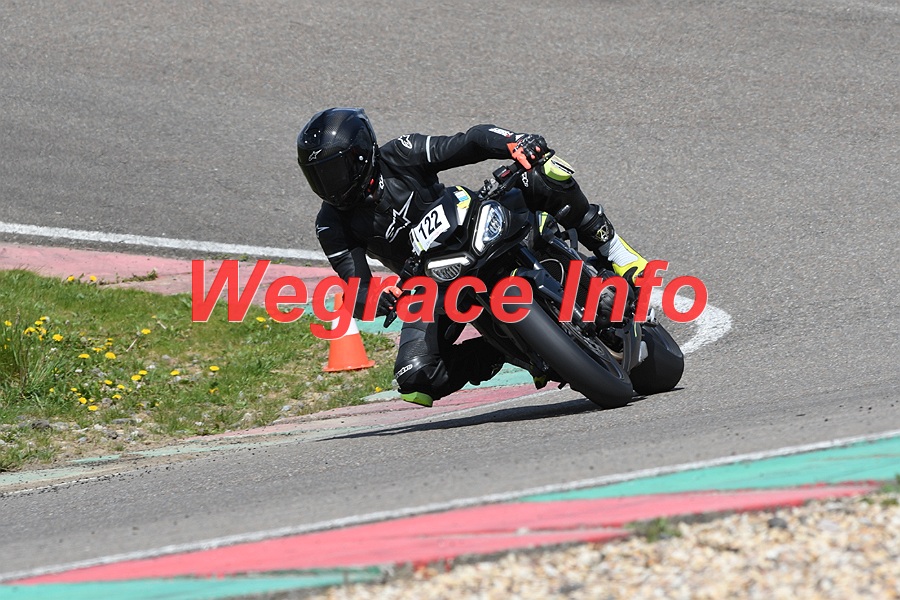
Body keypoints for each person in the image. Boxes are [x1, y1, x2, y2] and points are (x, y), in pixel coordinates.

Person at [297, 107, 648, 407]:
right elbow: (356, 289)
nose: (328, 186)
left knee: (541, 173)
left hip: (476, 225)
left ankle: (617, 253)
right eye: (317, 177)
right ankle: (508, 348)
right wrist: (379, 299)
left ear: (361, 156)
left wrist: (514, 142)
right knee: (416, 374)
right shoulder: (331, 224)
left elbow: (470, 142)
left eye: (333, 171)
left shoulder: (400, 153)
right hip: (434, 284)